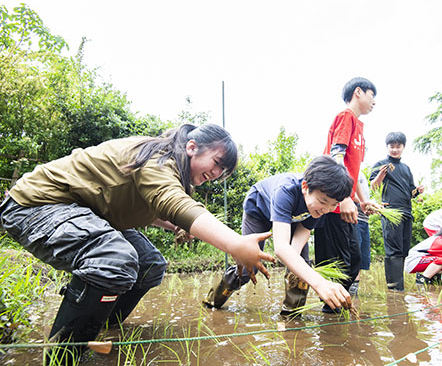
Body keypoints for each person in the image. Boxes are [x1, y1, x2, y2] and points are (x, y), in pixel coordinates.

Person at [0, 124, 274, 365]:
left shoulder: (170, 169)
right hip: (36, 205)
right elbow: (173, 203)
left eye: (222, 171)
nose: (216, 173)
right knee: (114, 258)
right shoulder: (158, 156)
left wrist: (173, 225)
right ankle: (62, 358)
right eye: (216, 163)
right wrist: (236, 244)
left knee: (150, 264)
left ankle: (103, 327)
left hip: (85, 213)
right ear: (192, 147)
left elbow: (151, 207)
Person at [203, 155, 354, 314]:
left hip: (294, 219)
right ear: (305, 187)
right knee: (249, 269)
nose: (326, 210)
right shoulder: (286, 190)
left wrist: (295, 266)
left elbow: (298, 241)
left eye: (333, 205)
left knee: (300, 268)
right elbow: (280, 247)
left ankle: (291, 319)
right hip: (259, 210)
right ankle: (213, 302)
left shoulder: (319, 208)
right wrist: (320, 283)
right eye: (323, 202)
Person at [315, 77, 380, 313]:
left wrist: (362, 200)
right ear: (359, 92)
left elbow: (355, 169)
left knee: (354, 260)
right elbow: (336, 157)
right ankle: (330, 315)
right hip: (332, 204)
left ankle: (336, 313)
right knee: (336, 262)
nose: (374, 102)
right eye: (373, 96)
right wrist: (343, 196)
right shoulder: (346, 118)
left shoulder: (359, 128)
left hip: (347, 202)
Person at [370, 131, 424, 291]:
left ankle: (398, 287)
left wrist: (418, 191)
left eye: (398, 146)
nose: (394, 149)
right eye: (391, 146)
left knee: (403, 250)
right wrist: (380, 175)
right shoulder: (381, 165)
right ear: (387, 147)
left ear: (403, 147)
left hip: (407, 213)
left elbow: (411, 192)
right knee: (393, 249)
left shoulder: (406, 168)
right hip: (390, 212)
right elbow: (373, 187)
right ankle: (394, 289)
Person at [349, 172, 372, 296]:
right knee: (354, 255)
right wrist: (365, 202)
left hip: (364, 219)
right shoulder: (350, 168)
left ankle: (354, 292)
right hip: (354, 217)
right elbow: (350, 193)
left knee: (361, 258)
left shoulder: (362, 173)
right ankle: (349, 290)